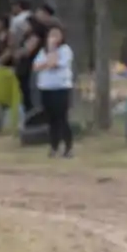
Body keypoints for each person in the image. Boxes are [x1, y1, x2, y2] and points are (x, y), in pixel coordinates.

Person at [33, 24, 75, 158]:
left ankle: (68, 147)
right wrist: (46, 61)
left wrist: (52, 50)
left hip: (61, 88)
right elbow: (36, 66)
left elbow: (53, 63)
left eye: (56, 35)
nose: (53, 38)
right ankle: (53, 146)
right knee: (51, 119)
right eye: (51, 35)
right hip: (46, 87)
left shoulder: (65, 50)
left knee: (62, 117)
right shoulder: (42, 51)